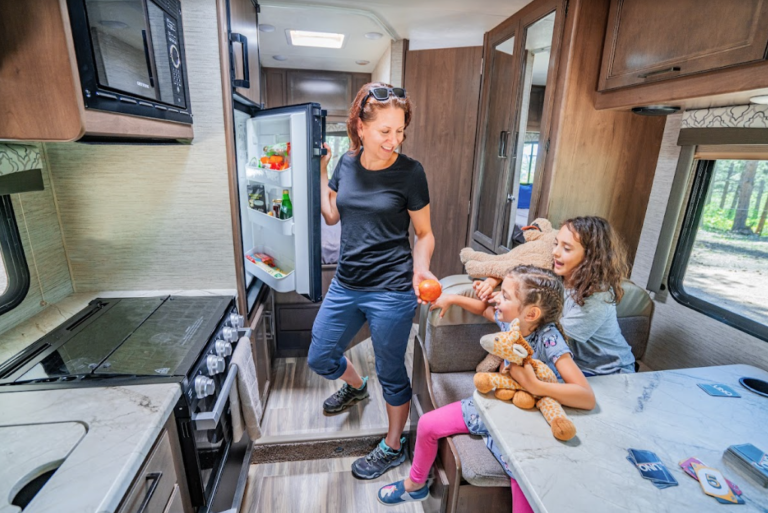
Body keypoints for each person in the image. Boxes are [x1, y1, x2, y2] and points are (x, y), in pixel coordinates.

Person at [377, 265, 595, 508]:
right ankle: (415, 485)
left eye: (506, 296)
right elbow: (484, 310)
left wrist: (534, 386)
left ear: (531, 314)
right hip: (495, 403)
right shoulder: (509, 322)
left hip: (528, 420)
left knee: (521, 477)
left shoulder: (549, 338)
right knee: (428, 424)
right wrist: (451, 298)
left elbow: (586, 396)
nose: (497, 299)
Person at [308, 82, 437, 480]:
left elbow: (425, 234)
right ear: (360, 128)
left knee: (392, 371)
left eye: (400, 131)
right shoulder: (346, 164)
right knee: (320, 354)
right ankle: (356, 385)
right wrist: (322, 170)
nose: (394, 140)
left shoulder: (411, 173)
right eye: (385, 131)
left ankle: (394, 446)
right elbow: (331, 215)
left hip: (393, 290)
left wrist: (420, 268)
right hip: (346, 284)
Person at [473, 216, 635, 375]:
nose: (555, 252)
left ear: (590, 256)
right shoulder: (556, 274)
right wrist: (491, 282)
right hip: (571, 365)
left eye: (566, 248)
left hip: (609, 371)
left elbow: (549, 338)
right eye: (556, 244)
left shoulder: (597, 297)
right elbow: (515, 265)